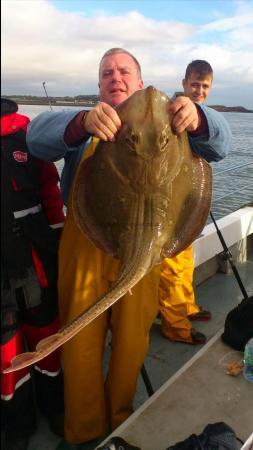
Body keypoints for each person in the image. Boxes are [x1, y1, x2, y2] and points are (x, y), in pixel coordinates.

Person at [26, 48, 231, 447]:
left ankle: (121, 423)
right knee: (81, 345)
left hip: (149, 246)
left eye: (124, 72)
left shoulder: (177, 120)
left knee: (132, 343)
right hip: (87, 242)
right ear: (100, 87)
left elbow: (219, 146)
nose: (115, 77)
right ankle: (84, 432)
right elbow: (36, 139)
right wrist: (81, 122)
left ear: (139, 83)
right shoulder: (86, 125)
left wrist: (201, 117)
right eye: (106, 73)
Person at [1, 98, 65, 450]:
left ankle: (55, 406)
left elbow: (50, 192)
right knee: (5, 347)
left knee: (46, 334)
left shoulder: (27, 133)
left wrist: (58, 238)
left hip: (34, 256)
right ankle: (17, 423)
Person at [159, 60, 216, 345]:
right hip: (171, 207)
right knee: (171, 268)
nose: (199, 91)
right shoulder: (172, 112)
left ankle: (188, 307)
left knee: (184, 262)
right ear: (183, 83)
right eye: (194, 84)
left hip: (188, 204)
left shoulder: (201, 115)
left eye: (205, 86)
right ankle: (176, 327)